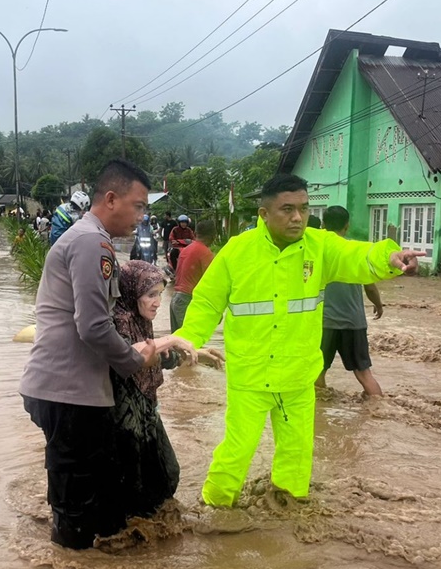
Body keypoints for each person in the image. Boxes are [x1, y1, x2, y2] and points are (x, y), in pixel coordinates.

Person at [173, 174, 424, 507]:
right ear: (264, 214)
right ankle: (215, 509)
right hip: (250, 377)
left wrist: (389, 258)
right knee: (236, 451)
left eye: (304, 209)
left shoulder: (320, 246)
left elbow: (358, 256)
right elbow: (206, 302)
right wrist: (186, 339)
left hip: (298, 377)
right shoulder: (237, 252)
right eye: (287, 209)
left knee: (296, 455)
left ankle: (288, 512)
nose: (297, 217)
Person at [19, 159, 197, 549]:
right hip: (68, 393)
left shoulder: (89, 239)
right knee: (77, 513)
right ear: (111, 199)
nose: (141, 217)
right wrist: (136, 360)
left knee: (93, 499)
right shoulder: (90, 242)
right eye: (138, 206)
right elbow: (94, 326)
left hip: (73, 391)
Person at [110, 261, 215, 521]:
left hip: (145, 411)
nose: (158, 302)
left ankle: (156, 530)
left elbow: (160, 357)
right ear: (131, 293)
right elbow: (130, 354)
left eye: (159, 294)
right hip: (124, 418)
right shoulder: (118, 322)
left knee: (167, 475)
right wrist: (174, 338)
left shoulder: (140, 321)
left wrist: (197, 353)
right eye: (151, 295)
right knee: (135, 486)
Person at [314, 206, 384, 395]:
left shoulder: (316, 251)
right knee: (364, 374)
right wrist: (378, 305)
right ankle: (380, 407)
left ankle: (321, 411)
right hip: (353, 322)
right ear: (347, 226)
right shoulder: (354, 252)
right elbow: (370, 286)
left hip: (325, 323)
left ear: (323, 225)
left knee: (318, 372)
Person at [170, 219, 216, 332]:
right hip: (187, 301)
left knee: (177, 340)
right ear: (213, 236)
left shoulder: (186, 250)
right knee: (191, 339)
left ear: (195, 234)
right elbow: (211, 284)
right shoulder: (206, 253)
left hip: (175, 299)